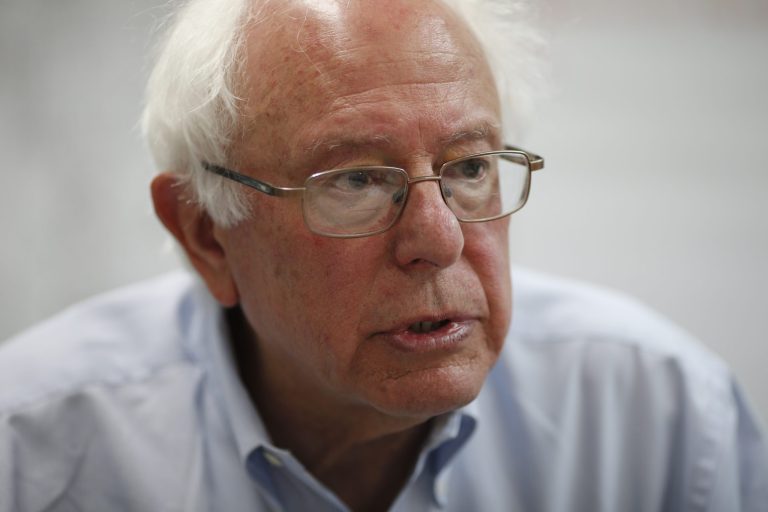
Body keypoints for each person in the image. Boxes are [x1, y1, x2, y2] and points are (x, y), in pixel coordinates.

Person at [1, 0, 766, 510]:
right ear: (206, 233)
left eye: (469, 168)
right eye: (357, 180)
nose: (438, 239)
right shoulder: (33, 452)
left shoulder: (661, 419)